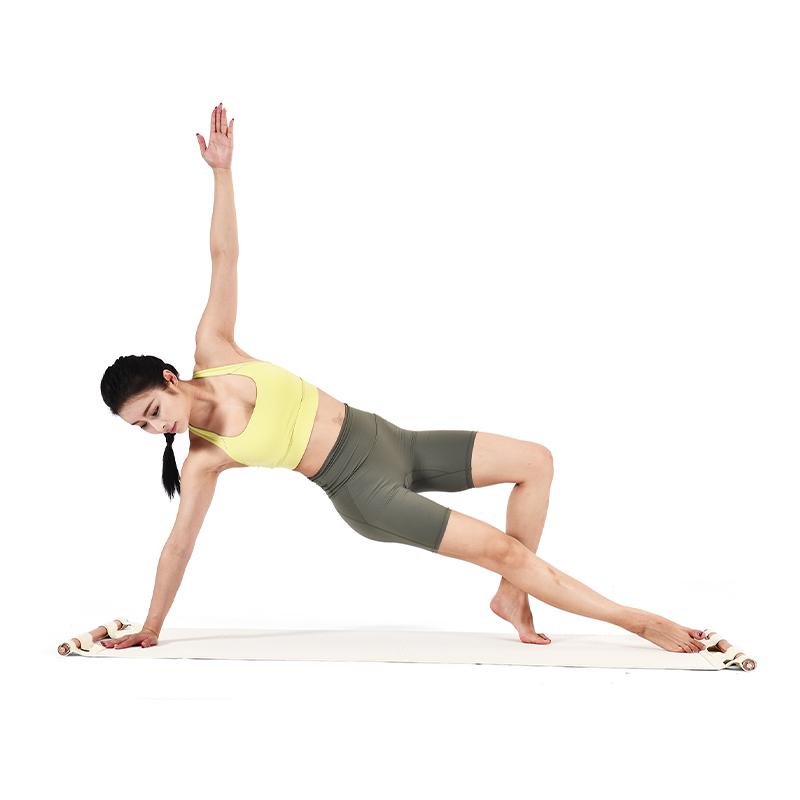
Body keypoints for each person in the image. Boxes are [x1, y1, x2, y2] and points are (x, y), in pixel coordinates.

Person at [99, 103, 706, 655]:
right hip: (367, 493)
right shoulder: (204, 459)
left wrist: (222, 174)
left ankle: (513, 595)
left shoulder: (216, 348)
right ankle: (637, 622)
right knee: (502, 549)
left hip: (395, 440)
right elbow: (179, 546)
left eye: (152, 411)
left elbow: (224, 257)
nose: (157, 429)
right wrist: (152, 626)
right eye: (143, 428)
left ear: (170, 379)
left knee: (536, 461)